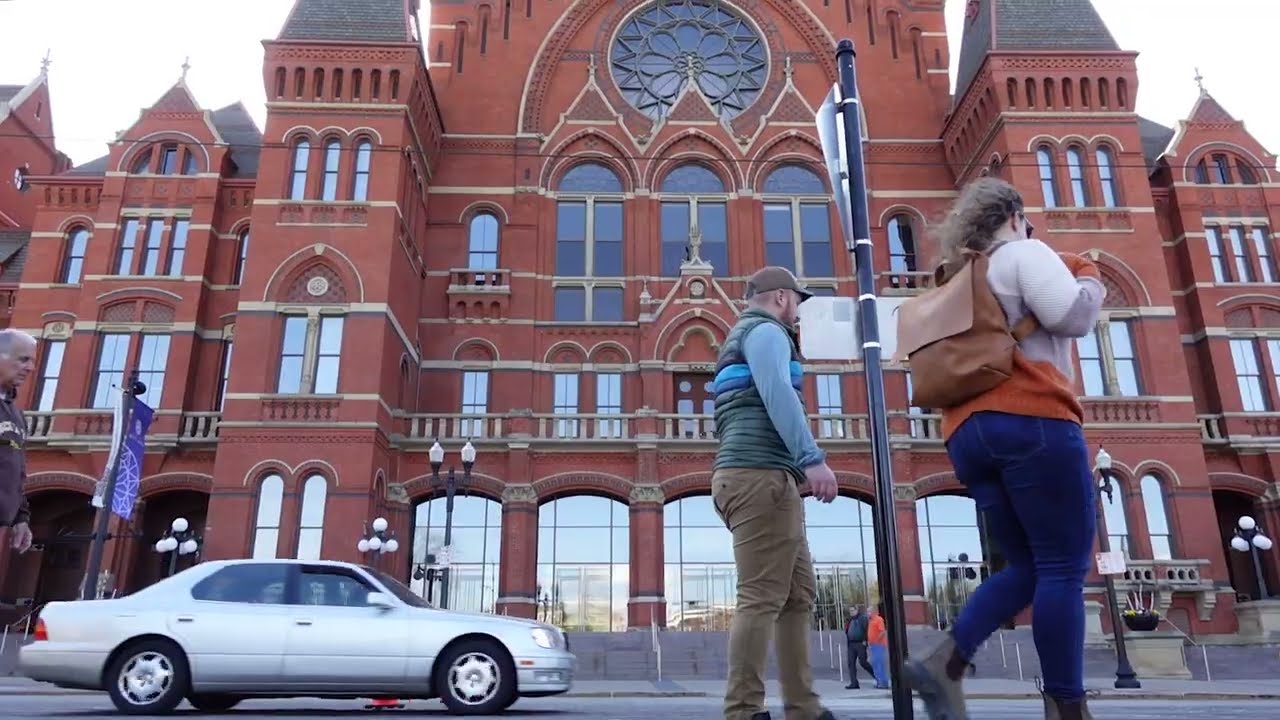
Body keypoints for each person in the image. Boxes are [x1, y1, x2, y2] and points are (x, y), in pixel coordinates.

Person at [902, 178, 1105, 720]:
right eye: (1028, 223)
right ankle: (1067, 706)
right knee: (1063, 566)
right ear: (1014, 216)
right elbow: (1074, 317)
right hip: (1032, 418)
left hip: (968, 433)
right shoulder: (1022, 253)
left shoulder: (958, 278)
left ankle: (946, 662)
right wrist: (1088, 274)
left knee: (1026, 567)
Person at [710, 266, 839, 720]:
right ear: (782, 298)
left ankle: (803, 706)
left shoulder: (737, 338)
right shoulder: (764, 332)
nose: (798, 313)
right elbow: (776, 391)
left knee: (798, 594)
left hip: (761, 477)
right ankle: (743, 710)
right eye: (797, 304)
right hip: (760, 477)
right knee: (762, 596)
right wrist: (811, 457)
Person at [0, 329, 36, 555]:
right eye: (23, 359)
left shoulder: (16, 415)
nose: (30, 368)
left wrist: (20, 518)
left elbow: (17, 471)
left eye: (32, 361)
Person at [844, 605, 875, 689]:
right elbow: (847, 630)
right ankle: (854, 683)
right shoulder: (850, 620)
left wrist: (865, 640)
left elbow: (866, 629)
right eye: (850, 611)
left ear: (857, 610)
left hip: (860, 643)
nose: (851, 612)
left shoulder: (862, 618)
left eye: (853, 610)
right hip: (851, 644)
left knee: (863, 662)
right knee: (851, 663)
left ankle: (876, 675)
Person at [867, 604, 889, 689]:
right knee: (876, 664)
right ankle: (881, 681)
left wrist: (876, 640)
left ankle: (882, 682)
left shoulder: (879, 620)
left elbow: (882, 632)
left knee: (878, 664)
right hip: (873, 645)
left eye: (869, 611)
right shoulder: (871, 621)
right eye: (867, 611)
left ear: (873, 612)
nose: (868, 613)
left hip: (879, 645)